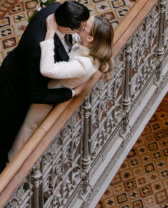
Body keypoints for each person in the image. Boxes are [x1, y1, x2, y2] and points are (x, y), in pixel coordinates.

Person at [0, 0, 90, 185]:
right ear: (67, 29)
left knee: (19, 129)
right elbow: (37, 94)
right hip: (16, 87)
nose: (84, 30)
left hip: (29, 74)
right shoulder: (38, 48)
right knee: (2, 137)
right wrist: (71, 93)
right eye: (81, 28)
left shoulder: (57, 9)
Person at [9, 12, 114, 159]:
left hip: (46, 99)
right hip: (45, 89)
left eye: (84, 26)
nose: (81, 25)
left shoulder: (84, 65)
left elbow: (47, 69)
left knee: (26, 133)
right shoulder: (88, 48)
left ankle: (12, 163)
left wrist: (50, 32)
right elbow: (76, 39)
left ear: (90, 38)